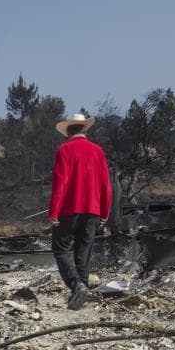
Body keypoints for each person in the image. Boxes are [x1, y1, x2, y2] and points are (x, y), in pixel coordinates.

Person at [48, 113, 113, 310]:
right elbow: (106, 185)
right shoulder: (98, 151)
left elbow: (60, 183)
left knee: (61, 249)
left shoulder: (64, 150)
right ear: (84, 129)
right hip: (92, 210)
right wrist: (105, 212)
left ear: (68, 132)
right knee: (83, 253)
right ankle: (80, 293)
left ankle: (76, 285)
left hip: (68, 209)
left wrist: (53, 212)